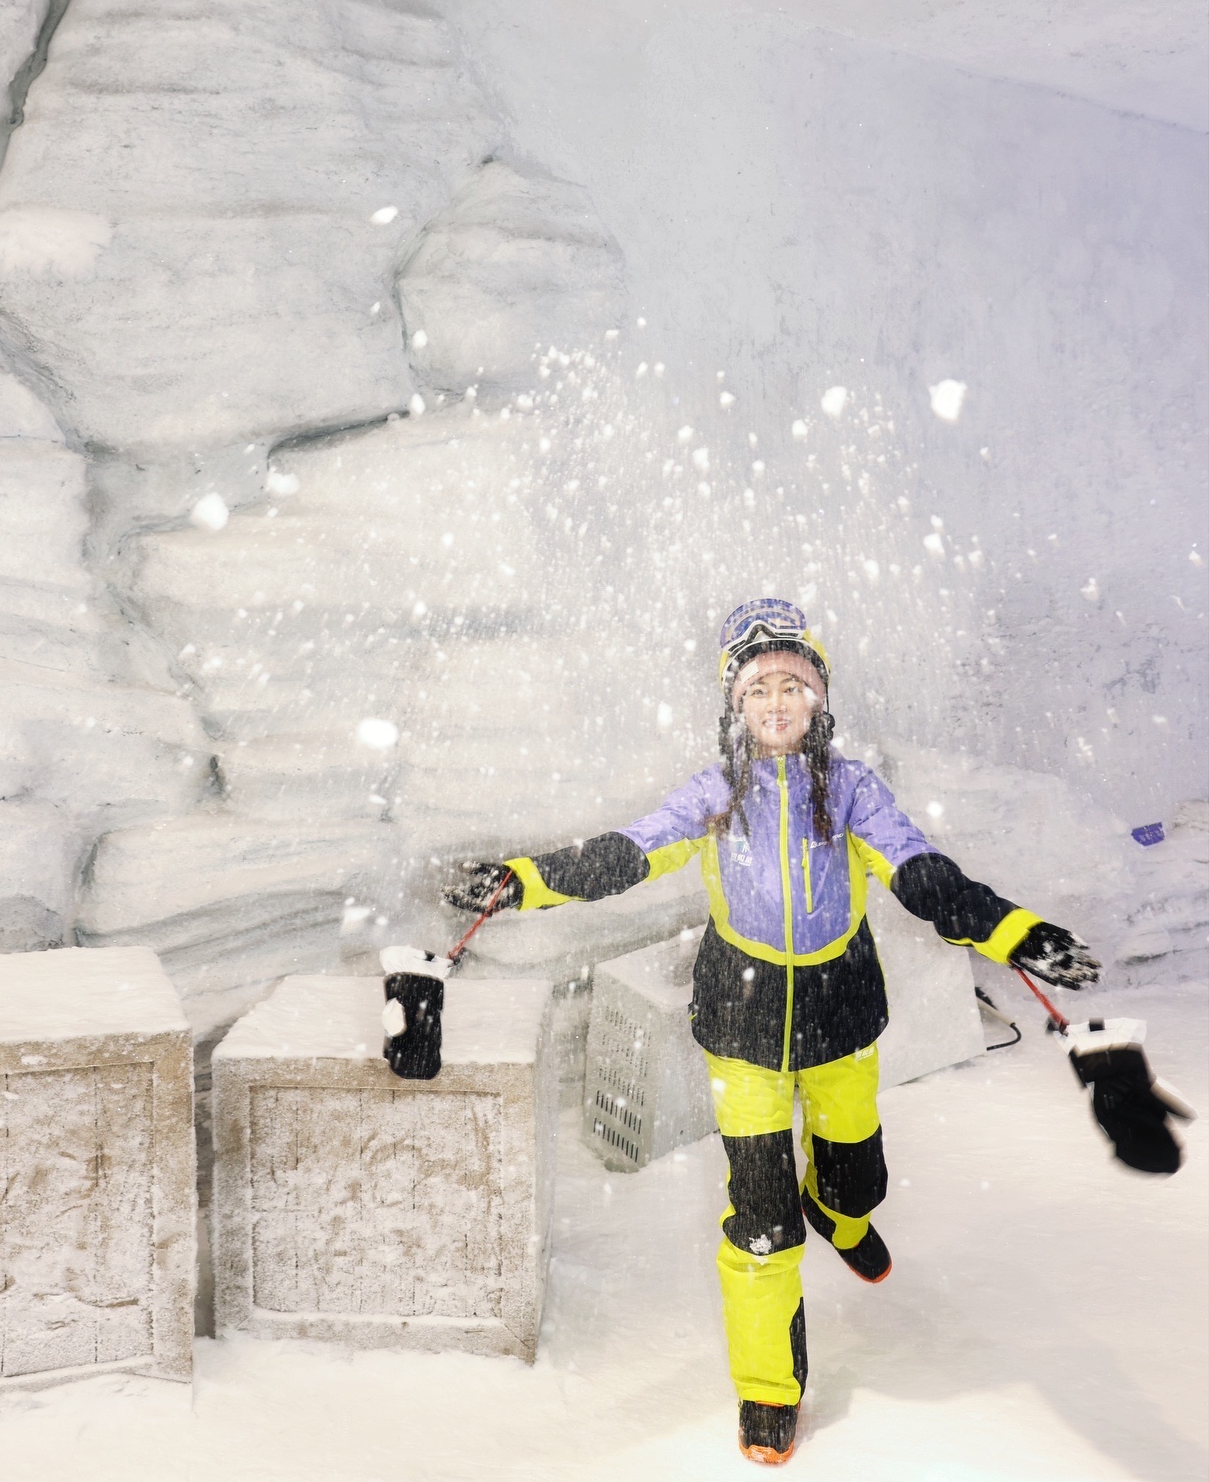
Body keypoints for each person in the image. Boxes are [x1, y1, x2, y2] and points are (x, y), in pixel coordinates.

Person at [444, 597, 1100, 1467]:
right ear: (736, 706)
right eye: (758, 689)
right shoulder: (716, 793)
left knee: (858, 1177)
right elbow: (627, 852)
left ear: (819, 698)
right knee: (760, 1219)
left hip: (840, 1015)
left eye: (793, 685)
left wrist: (1013, 931)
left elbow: (922, 873)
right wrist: (522, 881)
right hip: (743, 1026)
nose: (777, 703)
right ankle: (768, 1388)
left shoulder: (853, 789)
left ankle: (841, 1213)